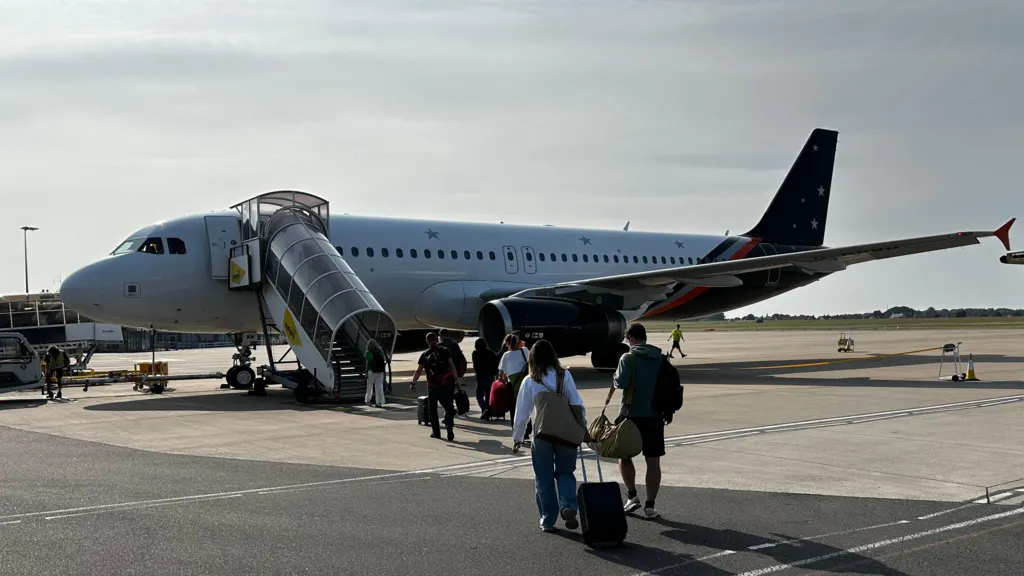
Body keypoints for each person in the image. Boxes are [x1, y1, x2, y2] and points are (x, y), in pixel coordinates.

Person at [512, 339, 587, 532]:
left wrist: (517, 438)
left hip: (542, 434)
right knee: (565, 471)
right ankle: (568, 505)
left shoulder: (530, 380)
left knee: (543, 477)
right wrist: (582, 427)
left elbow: (522, 413)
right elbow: (577, 403)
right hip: (565, 433)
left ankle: (547, 519)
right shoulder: (564, 375)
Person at [613, 323, 665, 519]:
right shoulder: (660, 357)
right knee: (653, 462)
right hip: (654, 415)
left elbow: (621, 383)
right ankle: (650, 505)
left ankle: (632, 495)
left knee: (624, 456)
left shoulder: (628, 357)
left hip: (630, 415)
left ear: (631, 339)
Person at [411, 332, 462, 441]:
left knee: (432, 409)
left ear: (427, 341)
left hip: (433, 385)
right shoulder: (445, 351)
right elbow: (452, 367)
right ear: (436, 339)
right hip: (446, 384)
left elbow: (418, 371)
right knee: (449, 407)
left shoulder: (425, 354)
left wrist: (413, 383)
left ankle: (436, 432)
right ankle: (449, 426)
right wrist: (457, 380)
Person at [499, 333, 532, 439]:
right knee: (526, 407)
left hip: (512, 386)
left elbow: (501, 374)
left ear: (507, 344)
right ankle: (527, 430)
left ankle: (518, 432)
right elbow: (532, 363)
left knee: (515, 410)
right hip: (525, 384)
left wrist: (504, 380)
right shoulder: (525, 351)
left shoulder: (506, 355)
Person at [471, 338, 499, 419]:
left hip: (480, 376)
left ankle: (484, 407)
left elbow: (475, 364)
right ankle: (487, 411)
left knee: (479, 395)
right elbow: (497, 359)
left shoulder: (475, 353)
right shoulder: (489, 352)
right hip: (489, 376)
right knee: (488, 395)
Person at [363, 339, 386, 407]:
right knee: (379, 387)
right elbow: (384, 361)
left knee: (369, 386)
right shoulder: (380, 352)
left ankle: (368, 400)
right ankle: (379, 402)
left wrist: (366, 371)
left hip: (371, 371)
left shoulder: (368, 353)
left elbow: (367, 364)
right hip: (380, 372)